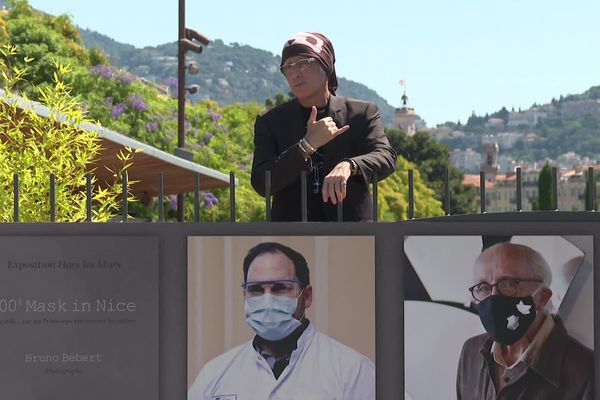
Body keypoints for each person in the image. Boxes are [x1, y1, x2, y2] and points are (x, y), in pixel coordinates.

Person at [188, 242, 375, 400]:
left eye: (280, 288)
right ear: (245, 294)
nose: (267, 300)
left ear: (307, 296)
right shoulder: (213, 375)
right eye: (256, 289)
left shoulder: (353, 371)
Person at [251, 32, 397, 221]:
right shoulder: (270, 122)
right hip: (292, 238)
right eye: (288, 67)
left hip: (352, 236)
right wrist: (305, 146)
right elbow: (262, 183)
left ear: (325, 65)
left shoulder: (361, 113)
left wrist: (350, 165)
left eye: (304, 63)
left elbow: (387, 157)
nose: (295, 73)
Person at [456, 242, 593, 400]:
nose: (494, 298)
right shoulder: (471, 352)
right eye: (483, 288)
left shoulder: (586, 371)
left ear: (542, 297)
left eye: (508, 284)